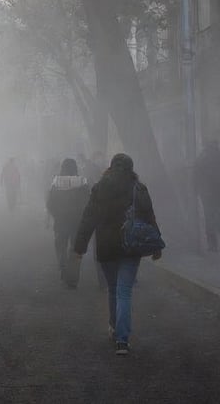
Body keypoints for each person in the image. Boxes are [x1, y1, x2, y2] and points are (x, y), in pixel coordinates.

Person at [73, 153, 162, 356]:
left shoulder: (100, 188)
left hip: (106, 247)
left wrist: (79, 247)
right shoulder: (138, 188)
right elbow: (150, 217)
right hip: (131, 246)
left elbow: (88, 218)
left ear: (111, 167)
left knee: (113, 289)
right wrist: (156, 246)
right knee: (124, 291)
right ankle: (122, 340)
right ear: (131, 168)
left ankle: (114, 328)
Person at [46, 158, 89, 288]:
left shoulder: (56, 182)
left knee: (60, 246)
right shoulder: (82, 182)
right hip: (77, 222)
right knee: (75, 249)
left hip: (60, 221)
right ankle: (73, 279)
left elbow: (50, 203)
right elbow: (87, 202)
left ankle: (63, 266)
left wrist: (56, 215)